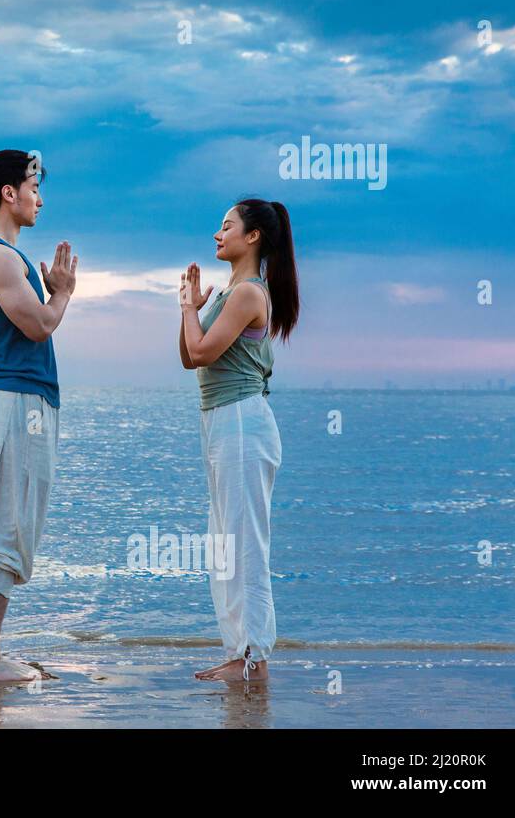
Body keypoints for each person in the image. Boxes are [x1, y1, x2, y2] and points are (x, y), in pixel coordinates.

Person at [0, 149, 77, 682]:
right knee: (5, 533)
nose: (40, 196)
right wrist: (64, 294)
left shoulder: (9, 257)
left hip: (18, 403)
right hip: (14, 404)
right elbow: (38, 326)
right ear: (9, 192)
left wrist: (52, 291)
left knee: (3, 530)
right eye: (34, 184)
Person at [178, 198, 299, 682]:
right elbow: (190, 357)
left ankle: (252, 658)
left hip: (243, 423)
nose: (216, 234)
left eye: (226, 226)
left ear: (252, 237)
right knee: (224, 543)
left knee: (244, 543)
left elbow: (203, 349)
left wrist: (192, 313)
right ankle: (239, 653)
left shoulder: (250, 293)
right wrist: (189, 308)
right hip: (222, 422)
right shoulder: (230, 293)